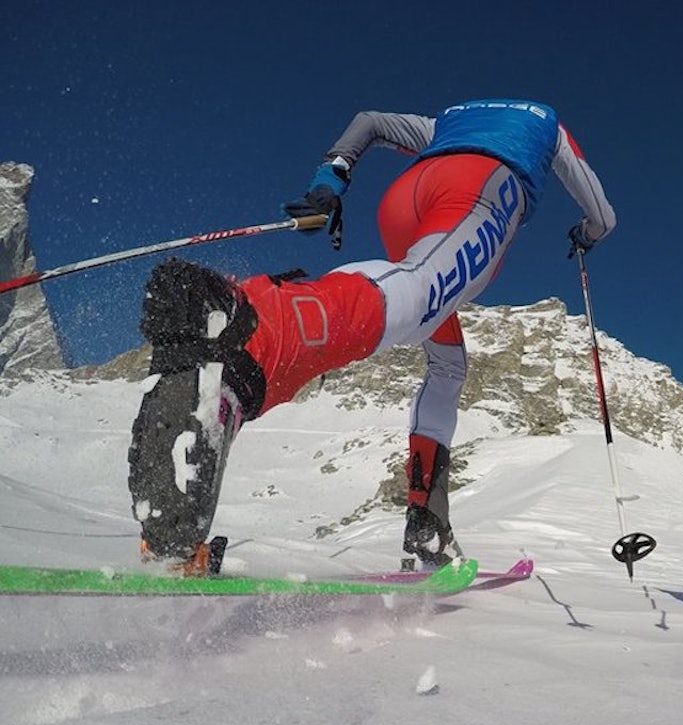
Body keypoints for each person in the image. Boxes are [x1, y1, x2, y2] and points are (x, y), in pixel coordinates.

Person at [128, 99, 616, 573]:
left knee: (447, 360)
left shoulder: (449, 122)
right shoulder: (545, 126)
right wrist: (587, 235)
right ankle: (254, 332)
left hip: (407, 201)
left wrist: (329, 179)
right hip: (479, 192)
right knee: (422, 291)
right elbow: (601, 211)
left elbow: (371, 122)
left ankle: (428, 522)